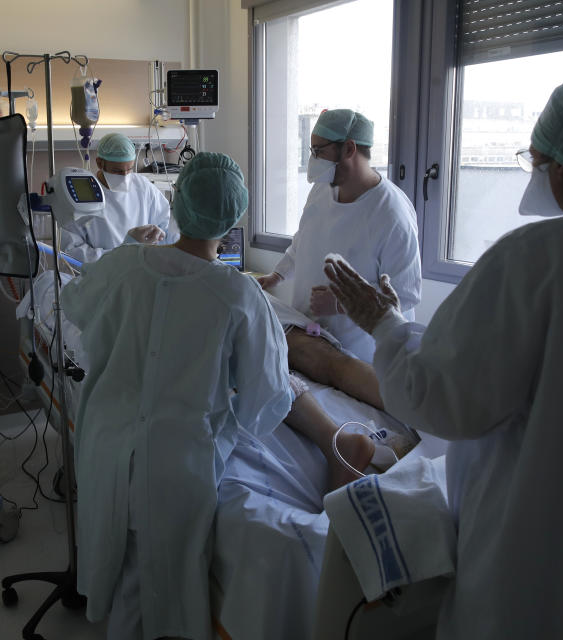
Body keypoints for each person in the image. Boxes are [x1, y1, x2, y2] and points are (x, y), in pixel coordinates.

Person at [322, 75, 563, 639]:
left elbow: (440, 403)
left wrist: (383, 325)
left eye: (536, 158)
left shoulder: (536, 262)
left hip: (540, 573)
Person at [61, 152, 372, 640]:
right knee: (156, 593)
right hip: (175, 468)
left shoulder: (125, 265)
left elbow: (75, 305)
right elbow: (264, 403)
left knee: (124, 578)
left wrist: (126, 250)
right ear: (234, 220)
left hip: (105, 446)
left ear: (176, 202)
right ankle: (335, 435)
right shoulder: (238, 296)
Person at [256, 109, 421, 363]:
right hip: (310, 337)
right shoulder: (323, 189)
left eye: (318, 151)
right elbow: (303, 240)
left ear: (349, 149)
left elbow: (406, 294)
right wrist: (277, 275)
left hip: (359, 354)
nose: (313, 159)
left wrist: (342, 304)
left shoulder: (391, 213)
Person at [59, 132, 178, 264]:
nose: (125, 176)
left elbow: (165, 227)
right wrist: (117, 258)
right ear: (99, 163)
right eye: (117, 171)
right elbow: (72, 250)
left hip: (142, 269)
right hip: (102, 276)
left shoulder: (143, 187)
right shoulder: (83, 194)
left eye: (130, 169)